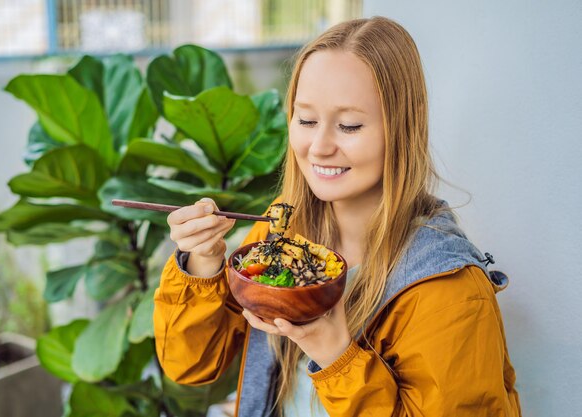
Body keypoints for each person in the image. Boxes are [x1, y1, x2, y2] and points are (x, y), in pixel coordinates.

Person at [153, 16, 522, 417]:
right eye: (306, 120)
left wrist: (335, 355)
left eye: (349, 125)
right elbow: (191, 366)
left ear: (403, 127)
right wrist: (201, 264)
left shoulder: (449, 291)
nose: (319, 147)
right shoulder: (282, 234)